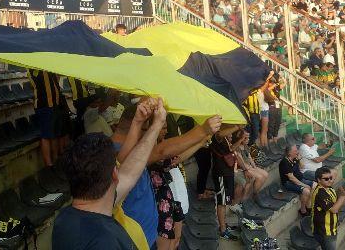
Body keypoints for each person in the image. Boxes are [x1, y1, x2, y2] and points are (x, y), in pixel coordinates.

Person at [52, 98, 166, 250]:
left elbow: (129, 173)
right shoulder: (105, 242)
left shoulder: (65, 218)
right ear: (114, 174)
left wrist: (141, 123)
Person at [112, 99, 223, 249]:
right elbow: (161, 151)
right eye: (150, 130)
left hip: (144, 234)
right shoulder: (119, 153)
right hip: (135, 239)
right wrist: (202, 131)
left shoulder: (124, 148)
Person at [310, 166, 345, 250]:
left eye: (331, 178)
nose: (330, 180)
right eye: (326, 179)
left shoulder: (329, 189)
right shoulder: (320, 193)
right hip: (323, 231)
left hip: (331, 228)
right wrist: (343, 195)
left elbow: (340, 205)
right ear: (319, 180)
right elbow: (334, 210)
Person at [28, 70, 62, 168]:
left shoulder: (48, 66)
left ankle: (55, 160)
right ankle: (49, 165)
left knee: (54, 133)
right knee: (46, 135)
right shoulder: (33, 66)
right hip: (43, 105)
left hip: (54, 104)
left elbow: (57, 78)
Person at [279, 144, 313, 216]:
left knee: (315, 185)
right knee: (306, 191)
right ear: (289, 153)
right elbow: (291, 178)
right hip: (289, 183)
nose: (297, 152)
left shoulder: (294, 158)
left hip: (300, 179)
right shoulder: (284, 162)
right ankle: (303, 210)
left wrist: (299, 159)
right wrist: (304, 185)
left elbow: (302, 167)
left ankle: (309, 206)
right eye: (295, 151)